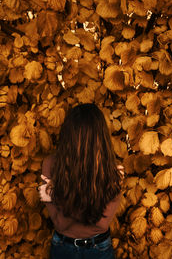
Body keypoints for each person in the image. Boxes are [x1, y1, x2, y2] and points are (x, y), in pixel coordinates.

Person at [39, 103, 124, 259]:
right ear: (101, 135)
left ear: (68, 133)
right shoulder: (50, 164)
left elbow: (101, 225)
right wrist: (90, 201)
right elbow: (60, 224)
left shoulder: (113, 169)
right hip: (63, 248)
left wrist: (59, 196)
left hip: (99, 249)